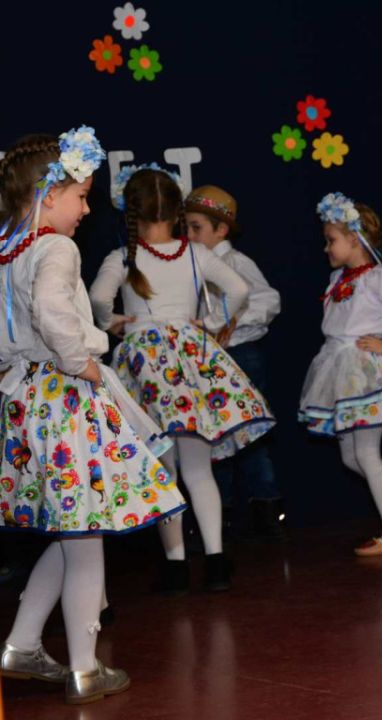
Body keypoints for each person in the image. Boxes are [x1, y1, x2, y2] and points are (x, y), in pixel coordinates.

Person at [0, 128, 185, 703]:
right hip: (66, 396)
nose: (86, 210)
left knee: (70, 530)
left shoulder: (8, 250)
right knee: (86, 536)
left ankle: (21, 644)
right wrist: (79, 361)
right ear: (48, 194)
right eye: (81, 196)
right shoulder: (56, 248)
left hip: (28, 398)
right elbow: (53, 311)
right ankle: (85, 666)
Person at [90, 167, 276, 593]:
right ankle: (216, 561)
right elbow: (239, 291)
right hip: (191, 362)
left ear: (131, 214)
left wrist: (113, 322)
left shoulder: (122, 258)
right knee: (199, 469)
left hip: (146, 367)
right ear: (176, 212)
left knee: (164, 470)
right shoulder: (194, 253)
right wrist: (211, 324)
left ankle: (175, 566)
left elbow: (98, 297)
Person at [299, 192, 382, 556]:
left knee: (367, 454)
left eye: (332, 240)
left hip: (364, 373)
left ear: (355, 238)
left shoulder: (378, 277)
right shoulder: (337, 278)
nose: (326, 248)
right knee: (350, 457)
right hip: (339, 369)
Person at [184, 185, 285, 540]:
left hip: (241, 356)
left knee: (251, 436)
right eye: (186, 227)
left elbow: (268, 300)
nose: (189, 235)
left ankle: (268, 512)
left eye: (197, 227)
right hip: (210, 361)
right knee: (214, 438)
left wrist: (232, 321)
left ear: (221, 229)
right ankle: (219, 517)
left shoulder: (236, 263)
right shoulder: (193, 265)